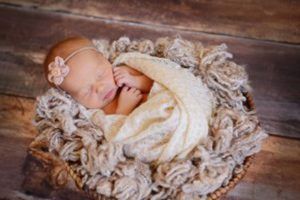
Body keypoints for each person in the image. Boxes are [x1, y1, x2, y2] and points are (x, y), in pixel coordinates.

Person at [44, 36, 153, 115]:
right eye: (86, 92)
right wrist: (123, 110)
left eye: (100, 75)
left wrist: (136, 81)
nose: (100, 88)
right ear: (72, 99)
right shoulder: (98, 114)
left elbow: (158, 81)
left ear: (105, 59)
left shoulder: (124, 71)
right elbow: (114, 133)